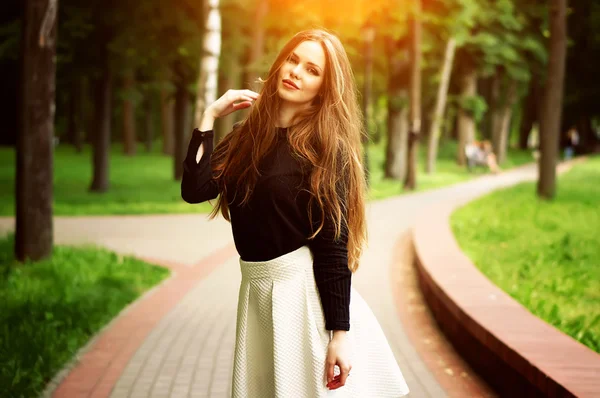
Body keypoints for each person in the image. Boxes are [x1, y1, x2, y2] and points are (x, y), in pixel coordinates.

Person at [181, 29, 409, 397]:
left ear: (324, 87)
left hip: (301, 296)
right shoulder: (244, 137)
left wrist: (340, 334)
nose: (296, 72)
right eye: (292, 60)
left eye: (312, 69)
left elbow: (333, 245)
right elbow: (194, 190)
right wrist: (208, 117)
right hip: (256, 289)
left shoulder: (324, 149)